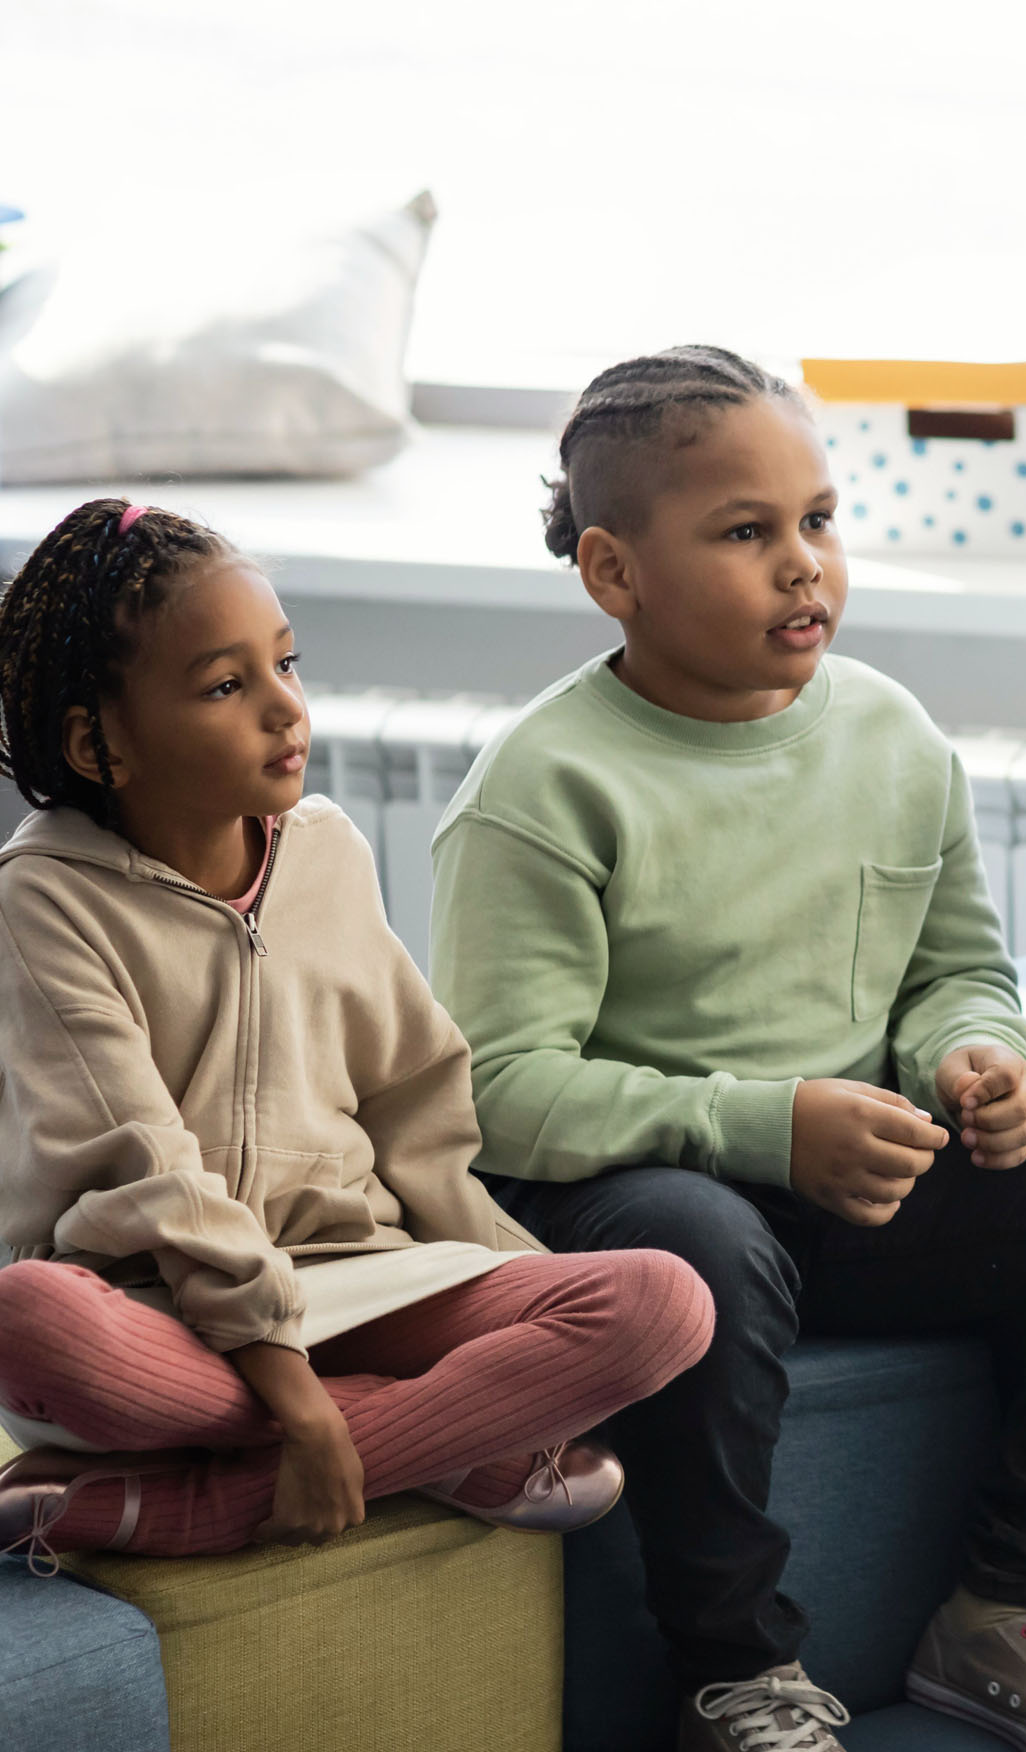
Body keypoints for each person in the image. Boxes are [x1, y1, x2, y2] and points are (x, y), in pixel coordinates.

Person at [429, 345, 1026, 1752]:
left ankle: (1008, 1608)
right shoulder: (542, 787)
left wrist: (976, 1057)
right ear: (614, 573)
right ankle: (731, 1672)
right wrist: (764, 1124)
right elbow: (497, 1097)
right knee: (702, 1245)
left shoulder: (890, 732)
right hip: (645, 1197)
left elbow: (956, 971)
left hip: (854, 1184)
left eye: (819, 519)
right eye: (746, 533)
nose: (805, 565)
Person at [0, 499, 714, 1571]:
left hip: (362, 1275)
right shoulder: (46, 899)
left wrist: (498, 1286)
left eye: (287, 663)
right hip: (152, 1303)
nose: (286, 709)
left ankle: (189, 1505)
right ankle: (432, 1446)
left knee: (663, 1301)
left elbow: (417, 1103)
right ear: (94, 742)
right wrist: (308, 1407)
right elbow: (147, 1170)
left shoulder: (324, 849)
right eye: (225, 686)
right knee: (26, 1314)